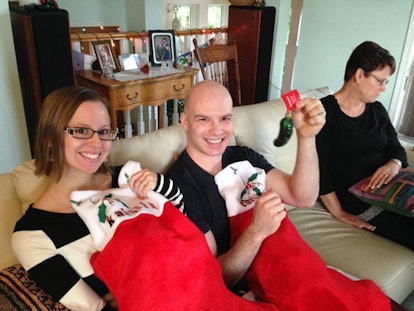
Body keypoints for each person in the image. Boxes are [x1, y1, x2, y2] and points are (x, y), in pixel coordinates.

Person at [166, 80, 393, 310]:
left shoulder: (243, 157)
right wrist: (256, 231)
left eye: (225, 118)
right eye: (203, 119)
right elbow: (216, 277)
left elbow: (302, 197)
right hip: (254, 288)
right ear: (185, 122)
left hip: (292, 264)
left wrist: (306, 137)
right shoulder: (179, 188)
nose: (217, 130)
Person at [11, 86, 184, 310]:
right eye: (82, 130)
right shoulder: (32, 235)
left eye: (103, 131)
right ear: (50, 138)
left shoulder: (128, 178)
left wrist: (162, 184)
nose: (96, 143)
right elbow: (95, 308)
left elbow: (184, 228)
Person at [315, 41, 414, 251]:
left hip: (389, 187)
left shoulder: (377, 110)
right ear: (359, 75)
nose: (384, 88)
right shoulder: (324, 112)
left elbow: (397, 150)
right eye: (380, 81)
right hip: (357, 199)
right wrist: (339, 212)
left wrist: (393, 164)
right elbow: (318, 170)